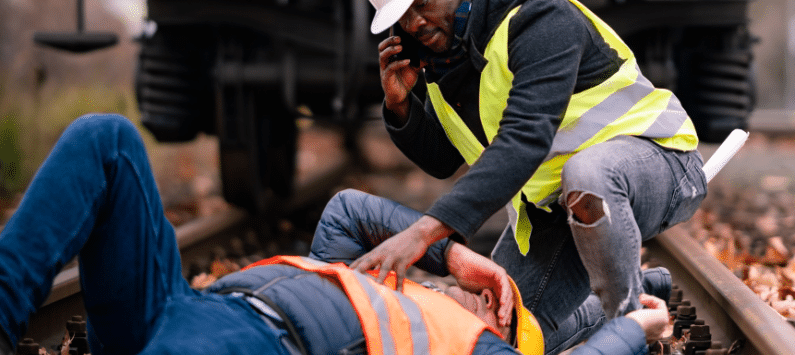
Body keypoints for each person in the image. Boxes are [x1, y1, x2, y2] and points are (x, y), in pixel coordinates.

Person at [0, 114, 671, 355]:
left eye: (502, 309)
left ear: (505, 330)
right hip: (179, 309)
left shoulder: (472, 348)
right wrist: (455, 252)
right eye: (490, 294)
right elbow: (348, 209)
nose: (483, 300)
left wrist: (634, 326)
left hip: (255, 343)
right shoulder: (364, 283)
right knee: (106, 139)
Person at [353, 0, 707, 352]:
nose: (414, 23)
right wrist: (401, 106)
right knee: (499, 336)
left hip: (660, 164)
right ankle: (641, 290)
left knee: (587, 174)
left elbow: (525, 138)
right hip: (553, 211)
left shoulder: (540, 16)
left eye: (422, 4)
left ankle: (631, 327)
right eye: (402, 17)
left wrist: (422, 233)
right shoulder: (443, 60)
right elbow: (445, 160)